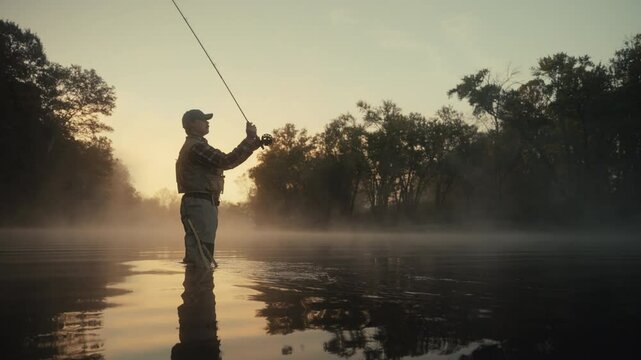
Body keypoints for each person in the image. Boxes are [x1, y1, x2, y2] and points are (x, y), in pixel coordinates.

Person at [176, 109, 261, 268]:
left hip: (201, 204)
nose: (207, 122)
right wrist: (249, 140)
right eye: (203, 120)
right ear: (192, 124)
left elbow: (227, 162)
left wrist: (251, 143)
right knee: (202, 256)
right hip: (199, 204)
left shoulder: (197, 145)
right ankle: (200, 288)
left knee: (201, 253)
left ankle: (197, 287)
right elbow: (226, 161)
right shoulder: (197, 148)